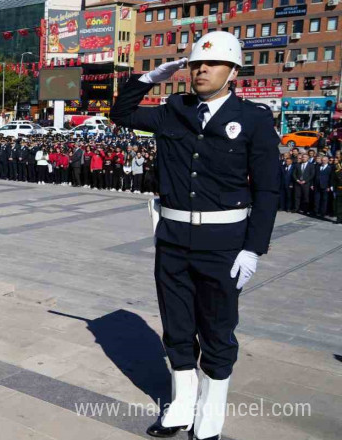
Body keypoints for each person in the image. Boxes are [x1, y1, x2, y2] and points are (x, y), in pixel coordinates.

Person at [110, 31, 280, 440]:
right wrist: (147, 80)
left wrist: (254, 249)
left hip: (223, 246)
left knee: (218, 330)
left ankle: (210, 416)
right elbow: (122, 114)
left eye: (212, 63)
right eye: (195, 64)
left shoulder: (254, 118)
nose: (201, 69)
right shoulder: (173, 110)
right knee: (178, 327)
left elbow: (268, 189)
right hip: (172, 239)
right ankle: (181, 406)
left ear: (233, 71)